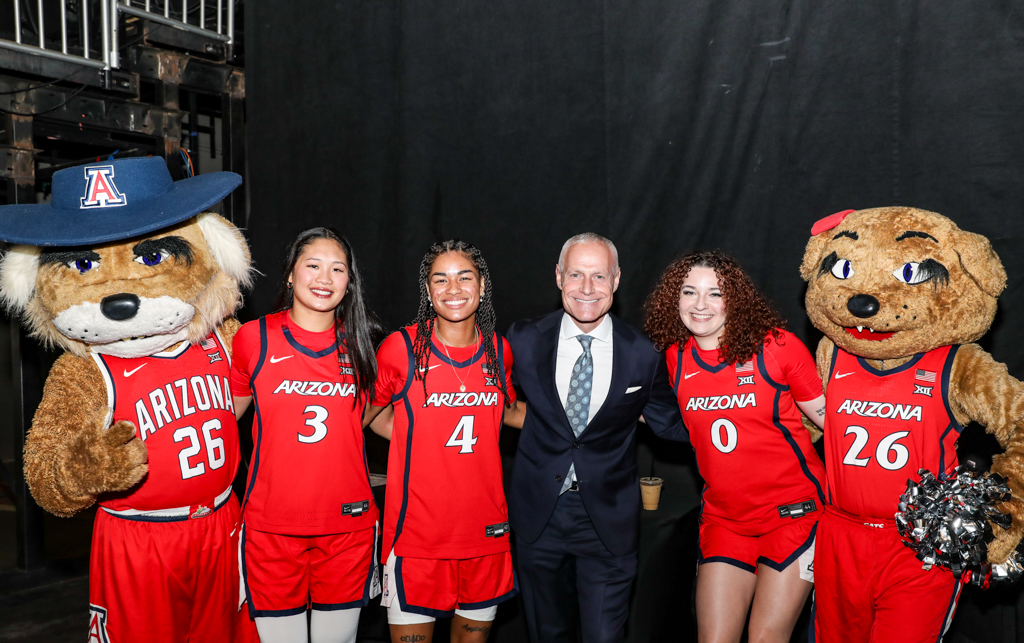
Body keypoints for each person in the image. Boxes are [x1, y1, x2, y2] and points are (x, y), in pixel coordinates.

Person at [505, 232, 688, 643]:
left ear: (616, 280)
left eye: (599, 276)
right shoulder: (523, 339)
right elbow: (489, 405)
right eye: (576, 275)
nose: (587, 288)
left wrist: (746, 419)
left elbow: (671, 424)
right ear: (558, 276)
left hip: (608, 519)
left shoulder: (643, 353)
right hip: (538, 515)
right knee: (546, 634)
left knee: (605, 636)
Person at [643, 250, 827, 643]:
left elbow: (833, 422)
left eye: (715, 293)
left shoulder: (776, 346)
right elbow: (664, 418)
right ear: (674, 298)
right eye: (689, 292)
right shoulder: (676, 356)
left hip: (792, 515)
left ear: (735, 299)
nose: (700, 304)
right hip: (725, 519)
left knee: (765, 637)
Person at [364, 239, 525, 643]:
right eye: (440, 279)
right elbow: (366, 417)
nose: (453, 289)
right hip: (417, 538)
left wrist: (595, 417)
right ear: (428, 289)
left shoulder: (498, 350)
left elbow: (509, 413)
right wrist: (417, 437)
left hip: (485, 534)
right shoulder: (402, 349)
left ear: (482, 286)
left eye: (464, 277)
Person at [230, 228, 386, 643]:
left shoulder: (364, 344)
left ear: (349, 281)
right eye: (313, 265)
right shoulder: (253, 338)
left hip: (347, 525)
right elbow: (223, 419)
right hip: (271, 525)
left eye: (337, 269)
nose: (324, 278)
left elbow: (371, 421)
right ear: (290, 274)